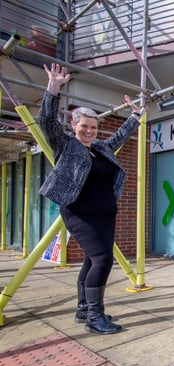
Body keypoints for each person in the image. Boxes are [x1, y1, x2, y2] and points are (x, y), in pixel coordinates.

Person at [38, 63, 142, 335]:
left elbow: (119, 136)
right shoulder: (66, 145)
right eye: (84, 126)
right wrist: (53, 88)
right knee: (102, 259)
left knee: (91, 260)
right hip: (80, 213)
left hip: (105, 215)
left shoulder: (100, 147)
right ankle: (94, 318)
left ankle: (84, 307)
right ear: (74, 125)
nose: (89, 131)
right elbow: (47, 122)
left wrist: (136, 116)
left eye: (94, 127)